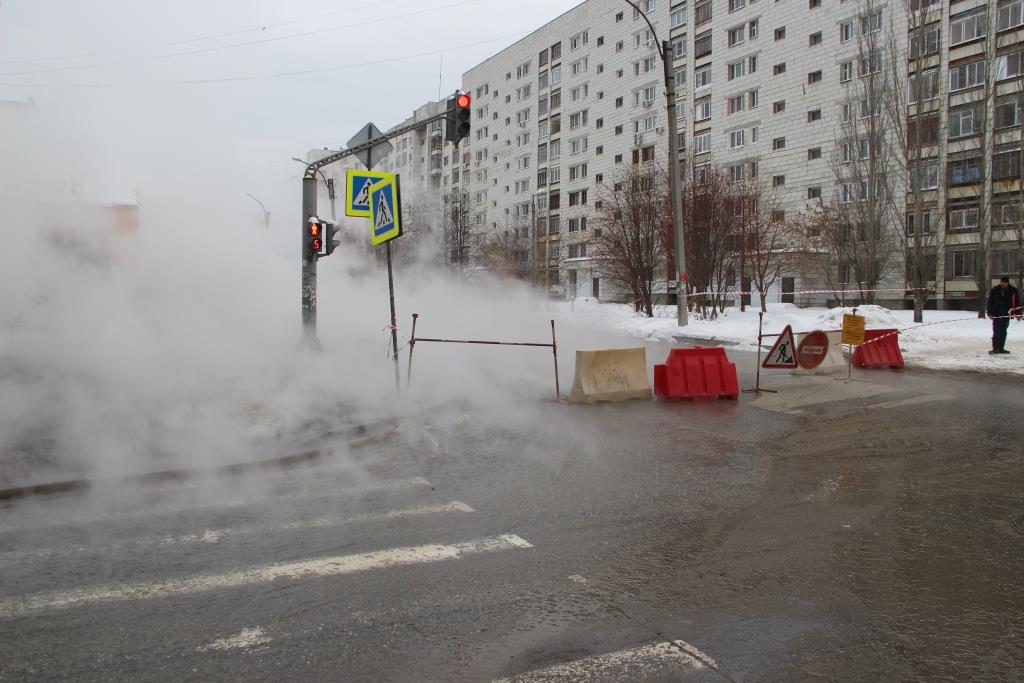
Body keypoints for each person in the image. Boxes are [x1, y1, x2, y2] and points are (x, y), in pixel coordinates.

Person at [987, 276, 1021, 355]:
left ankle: (1001, 348)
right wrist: (990, 312)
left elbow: (1017, 302)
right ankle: (995, 348)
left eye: (1004, 282)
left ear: (1007, 283)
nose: (1003, 284)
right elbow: (990, 302)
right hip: (997, 314)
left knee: (1003, 331)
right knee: (996, 331)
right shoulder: (995, 290)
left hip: (1006, 314)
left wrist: (1017, 313)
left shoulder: (1013, 290)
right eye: (1002, 282)